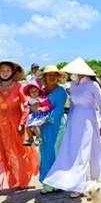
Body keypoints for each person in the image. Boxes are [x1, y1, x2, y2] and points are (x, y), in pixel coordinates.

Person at [43, 57, 101, 198]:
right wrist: (69, 122)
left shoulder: (92, 85)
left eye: (73, 71)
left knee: (88, 152)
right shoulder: (73, 86)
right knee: (76, 152)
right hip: (75, 120)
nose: (71, 74)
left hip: (89, 120)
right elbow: (71, 105)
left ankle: (91, 183)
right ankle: (81, 183)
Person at [0, 61, 39, 195]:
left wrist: (23, 123)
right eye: (2, 70)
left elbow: (26, 105)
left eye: (8, 70)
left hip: (16, 126)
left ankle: (22, 181)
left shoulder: (18, 87)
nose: (5, 73)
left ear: (13, 72)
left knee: (18, 152)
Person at [37, 65, 68, 195]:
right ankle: (47, 182)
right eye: (49, 75)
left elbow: (59, 108)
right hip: (43, 126)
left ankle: (58, 182)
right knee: (44, 152)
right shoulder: (41, 91)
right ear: (44, 77)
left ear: (58, 77)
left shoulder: (60, 91)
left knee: (55, 151)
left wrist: (47, 120)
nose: (52, 77)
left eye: (54, 75)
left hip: (56, 125)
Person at [22, 79, 52, 147]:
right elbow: (29, 102)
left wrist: (41, 109)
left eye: (36, 91)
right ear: (29, 92)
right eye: (32, 91)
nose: (34, 93)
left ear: (39, 91)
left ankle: (38, 138)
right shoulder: (31, 98)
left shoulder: (42, 98)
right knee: (27, 126)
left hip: (42, 115)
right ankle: (30, 139)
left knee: (35, 125)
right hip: (35, 115)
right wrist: (25, 104)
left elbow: (48, 106)